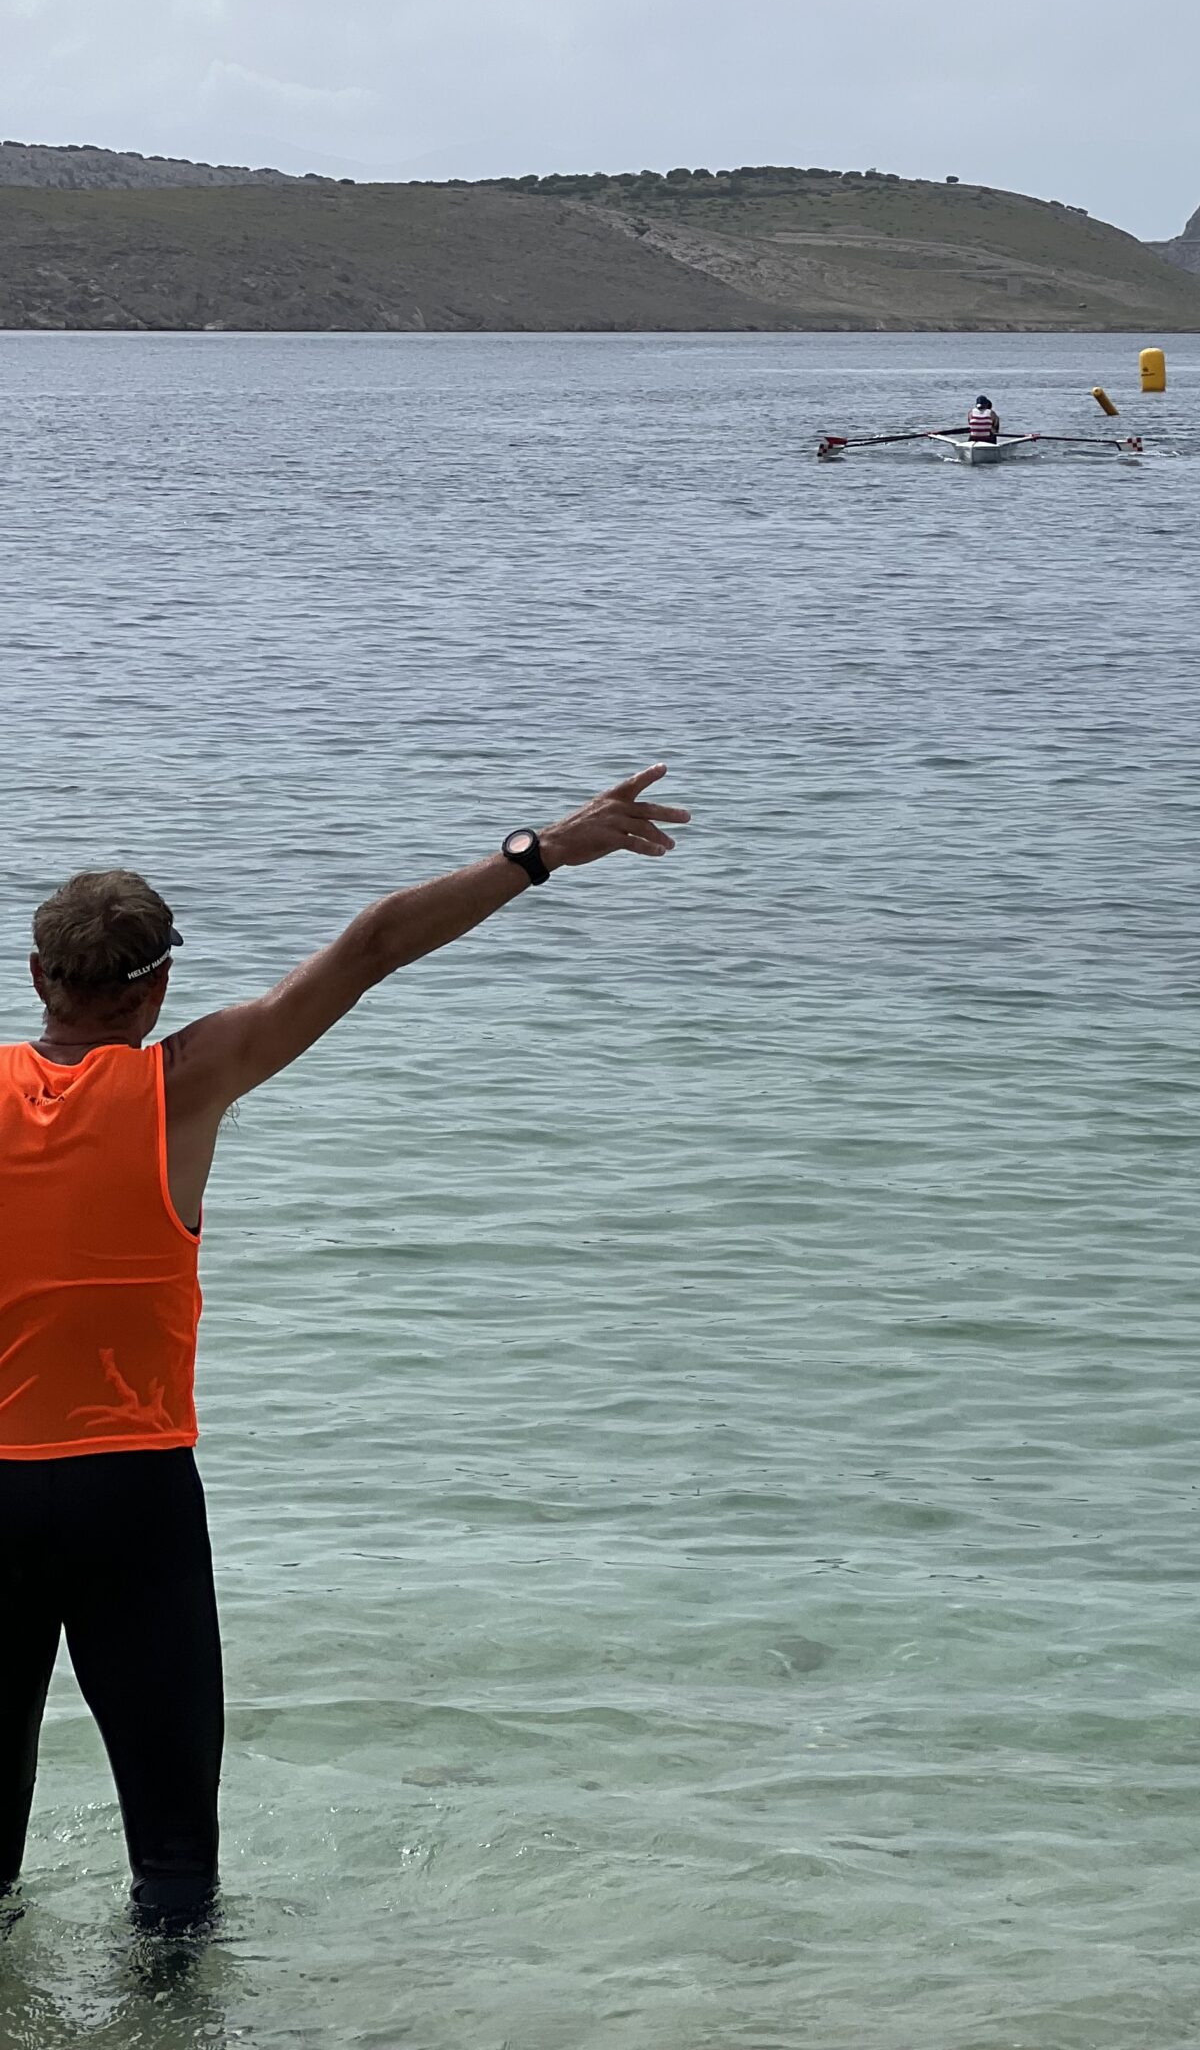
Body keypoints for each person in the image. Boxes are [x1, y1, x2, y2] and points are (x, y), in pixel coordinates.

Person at [0, 769, 688, 1932]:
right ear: (159, 984)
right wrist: (539, 852)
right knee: (173, 1864)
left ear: (36, 978)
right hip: (135, 1492)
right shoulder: (187, 1080)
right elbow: (371, 945)